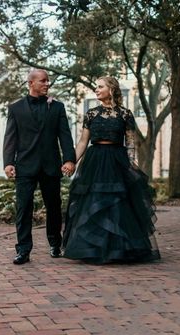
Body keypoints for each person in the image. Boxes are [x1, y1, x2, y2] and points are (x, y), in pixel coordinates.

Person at [63, 76, 161, 264]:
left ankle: (119, 250)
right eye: (96, 87)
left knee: (118, 204)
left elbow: (131, 144)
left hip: (117, 159)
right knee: (95, 201)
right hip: (95, 160)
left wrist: (131, 165)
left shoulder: (125, 114)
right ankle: (93, 249)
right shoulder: (91, 114)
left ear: (111, 89)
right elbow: (83, 142)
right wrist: (71, 162)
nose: (96, 90)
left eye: (100, 87)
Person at [3, 69, 76, 265]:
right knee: (23, 208)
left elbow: (65, 136)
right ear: (31, 83)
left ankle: (55, 243)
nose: (47, 84)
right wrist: (8, 162)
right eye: (43, 81)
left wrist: (69, 159)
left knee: (53, 206)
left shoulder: (57, 107)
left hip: (51, 165)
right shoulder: (16, 108)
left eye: (48, 81)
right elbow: (10, 137)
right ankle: (23, 250)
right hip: (25, 166)